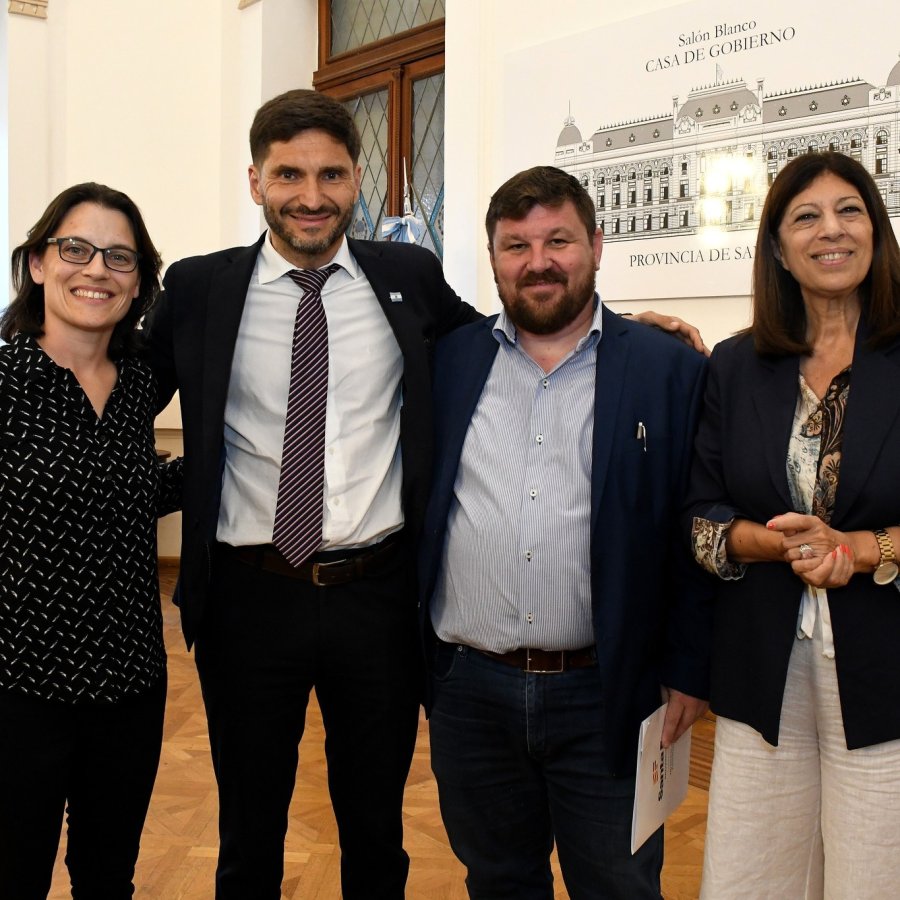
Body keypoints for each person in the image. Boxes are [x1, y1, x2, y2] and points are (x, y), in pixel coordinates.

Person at [142, 89, 707, 898]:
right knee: (248, 827)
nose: (311, 194)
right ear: (255, 181)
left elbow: (512, 331)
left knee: (376, 825)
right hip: (246, 599)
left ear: (357, 180)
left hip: (376, 599)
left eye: (331, 173)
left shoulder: (405, 277)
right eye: (289, 174)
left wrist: (630, 334)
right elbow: (127, 389)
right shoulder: (200, 289)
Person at [417, 165, 713, 899]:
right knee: (497, 880)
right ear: (492, 261)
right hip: (469, 691)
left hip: (609, 692)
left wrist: (689, 667)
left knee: (619, 885)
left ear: (597, 245)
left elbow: (696, 528)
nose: (538, 261)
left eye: (559, 240)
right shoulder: (447, 362)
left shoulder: (666, 369)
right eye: (516, 245)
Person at [685, 151, 900, 899]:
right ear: (778, 246)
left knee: (874, 875)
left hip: (887, 670)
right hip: (759, 667)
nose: (829, 230)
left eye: (849, 210)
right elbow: (700, 516)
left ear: (875, 230)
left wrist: (865, 549)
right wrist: (771, 543)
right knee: (751, 875)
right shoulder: (737, 365)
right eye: (805, 216)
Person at [0, 183, 182, 898]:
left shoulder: (139, 386)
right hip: (19, 687)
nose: (96, 269)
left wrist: (226, 467)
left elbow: (123, 493)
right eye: (75, 249)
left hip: (130, 684)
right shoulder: (6, 380)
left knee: (109, 880)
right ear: (40, 263)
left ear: (138, 282)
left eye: (118, 257)